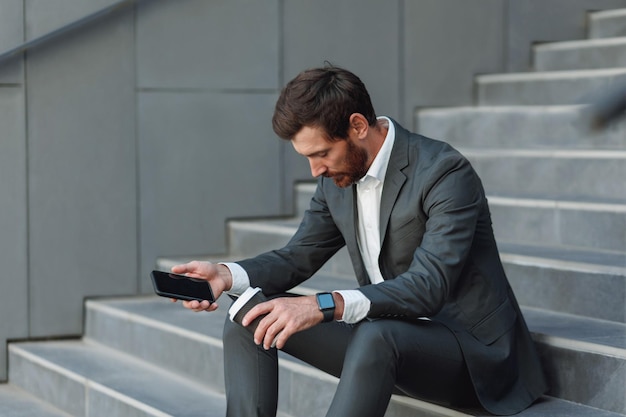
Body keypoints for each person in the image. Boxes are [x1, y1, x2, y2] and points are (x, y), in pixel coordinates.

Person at [171, 65, 547, 417]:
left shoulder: (443, 171)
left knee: (376, 334)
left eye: (321, 154)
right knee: (249, 315)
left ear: (357, 126)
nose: (315, 170)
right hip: (384, 342)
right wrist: (224, 275)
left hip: (471, 355)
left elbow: (429, 286)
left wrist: (323, 304)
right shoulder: (337, 179)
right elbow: (297, 256)